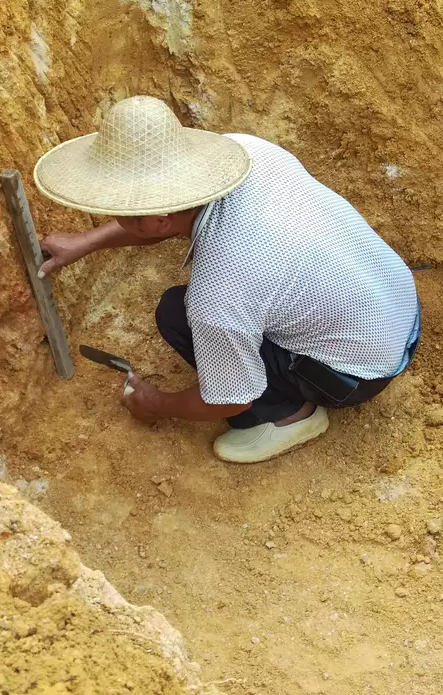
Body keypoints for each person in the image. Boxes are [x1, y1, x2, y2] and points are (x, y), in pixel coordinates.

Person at [33, 96, 420, 464]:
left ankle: (288, 416)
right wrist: (85, 242)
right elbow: (160, 219)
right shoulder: (245, 151)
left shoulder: (217, 294)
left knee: (175, 313)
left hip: (357, 375)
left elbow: (229, 399)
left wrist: (158, 405)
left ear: (157, 220)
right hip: (397, 302)